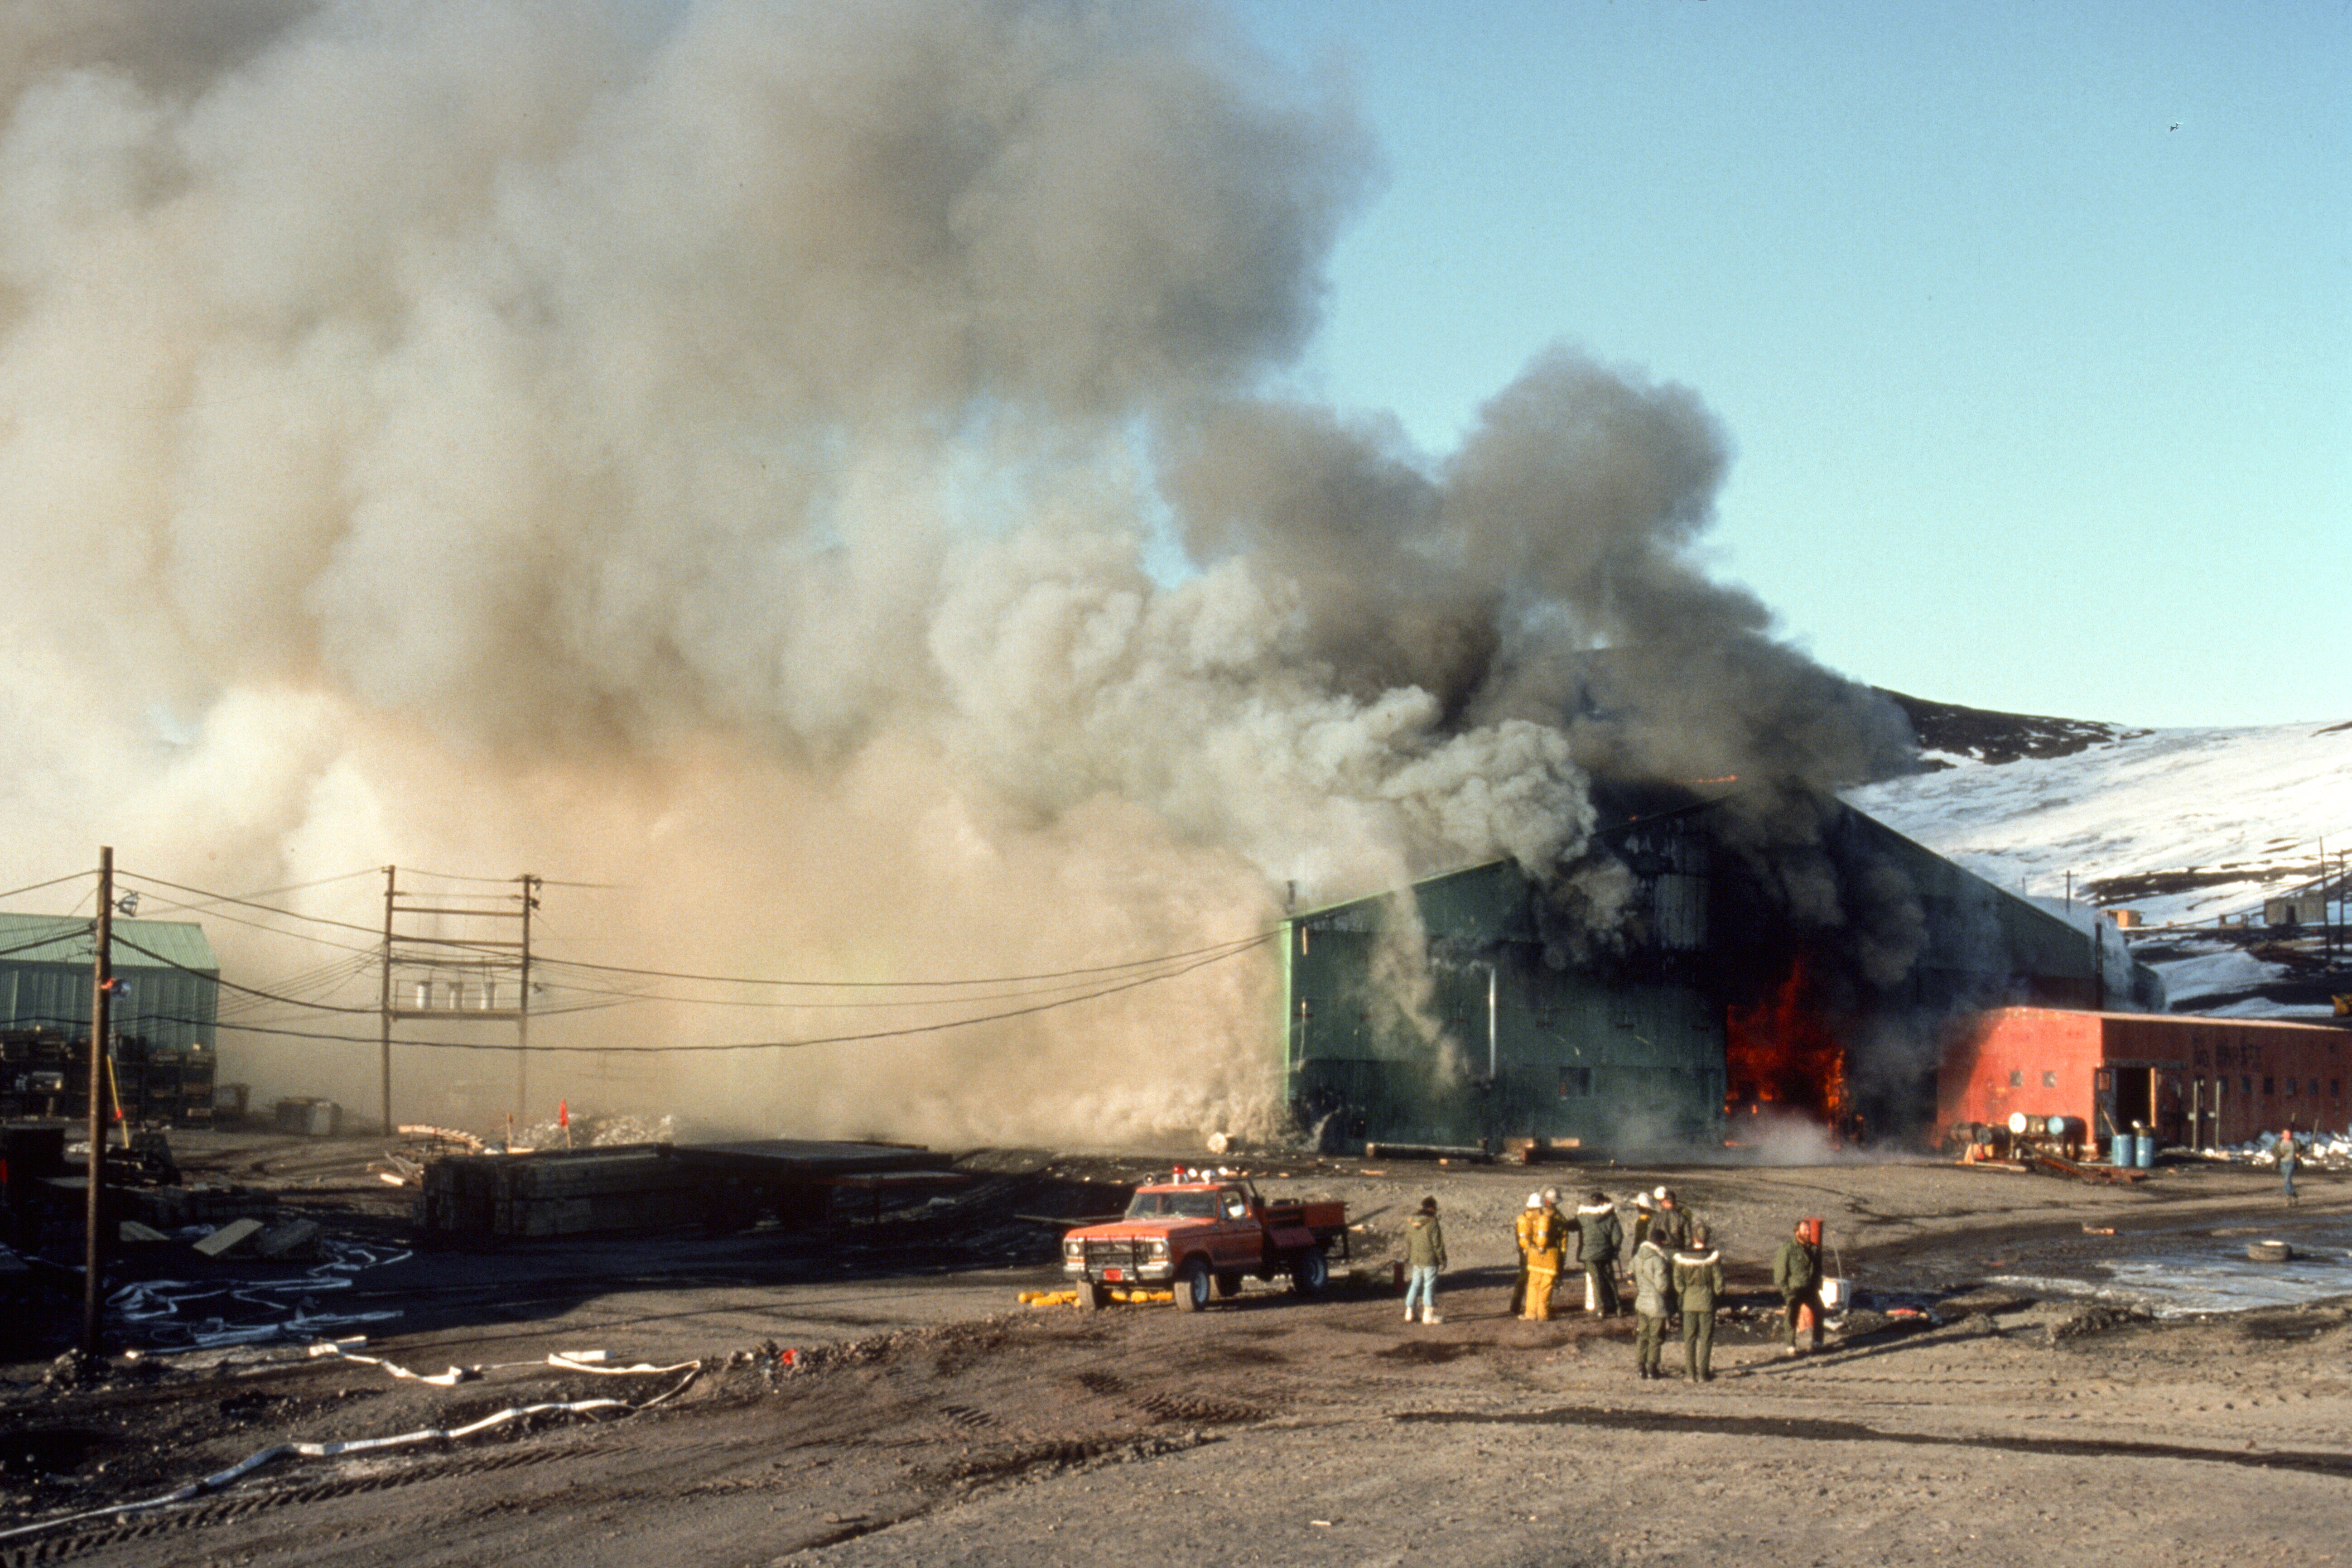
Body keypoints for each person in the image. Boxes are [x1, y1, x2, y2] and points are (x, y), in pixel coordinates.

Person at [1672, 1224, 1725, 1382]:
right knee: (1706, 1338)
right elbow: (1719, 1281)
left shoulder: (1682, 1258)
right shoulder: (1712, 1258)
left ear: (1694, 1237)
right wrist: (1716, 1293)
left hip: (1689, 1301)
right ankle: (1703, 1373)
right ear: (1707, 1238)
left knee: (1689, 1338)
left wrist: (1683, 1292)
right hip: (1707, 1301)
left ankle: (1690, 1374)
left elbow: (1677, 1280)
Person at [1772, 1218, 1825, 1356]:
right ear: (1797, 1233)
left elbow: (1819, 1270)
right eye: (1805, 1230)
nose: (1809, 1233)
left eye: (1809, 1230)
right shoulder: (1787, 1250)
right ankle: (1791, 1345)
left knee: (1820, 1310)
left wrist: (1818, 1286)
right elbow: (1780, 1274)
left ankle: (1818, 1342)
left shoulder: (1814, 1250)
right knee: (1792, 1316)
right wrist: (1786, 1292)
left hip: (1810, 1289)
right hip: (1794, 1290)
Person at [1517, 1193, 1567, 1321]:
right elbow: (1563, 1242)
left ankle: (1531, 1313)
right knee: (1546, 1286)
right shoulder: (1559, 1219)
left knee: (1533, 1285)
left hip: (1533, 1254)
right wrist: (1562, 1257)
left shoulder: (1532, 1216)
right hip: (1551, 1255)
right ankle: (1543, 1315)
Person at [1631, 1227, 1672, 1380]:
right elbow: (1662, 1287)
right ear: (1660, 1242)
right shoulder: (1659, 1261)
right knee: (1656, 1337)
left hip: (1641, 1302)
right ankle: (1652, 1368)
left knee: (1643, 1335)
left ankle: (1641, 1366)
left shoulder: (1637, 1257)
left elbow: (1631, 1275)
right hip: (1657, 1305)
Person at [1576, 1190, 1623, 1316]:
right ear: (1602, 1202)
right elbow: (1618, 1237)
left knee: (1596, 1280)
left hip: (1588, 1255)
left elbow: (1571, 1226)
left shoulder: (1583, 1217)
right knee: (1609, 1279)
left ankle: (1601, 1309)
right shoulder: (1611, 1217)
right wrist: (1614, 1249)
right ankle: (1618, 1307)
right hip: (1606, 1253)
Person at [1402, 1196, 1447, 1324]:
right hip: (1430, 1260)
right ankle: (1428, 1316)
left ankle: (1409, 1313)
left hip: (1416, 1259)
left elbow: (1408, 1241)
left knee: (1415, 1284)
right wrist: (1443, 1260)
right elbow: (1438, 1244)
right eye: (1436, 1208)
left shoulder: (1411, 1222)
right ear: (1433, 1208)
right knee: (1429, 1285)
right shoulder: (1432, 1222)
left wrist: (1411, 1256)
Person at [2278, 1129, 2299, 1207]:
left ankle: (2288, 1198)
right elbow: (2275, 1152)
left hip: (2291, 1162)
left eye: (2289, 1134)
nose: (2289, 1136)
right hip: (2283, 1163)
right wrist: (2280, 1154)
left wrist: (2299, 1154)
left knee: (2287, 1179)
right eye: (2287, 1134)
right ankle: (2294, 1195)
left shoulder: (2294, 1142)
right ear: (2283, 1135)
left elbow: (2302, 1149)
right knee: (2288, 1180)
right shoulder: (2280, 1143)